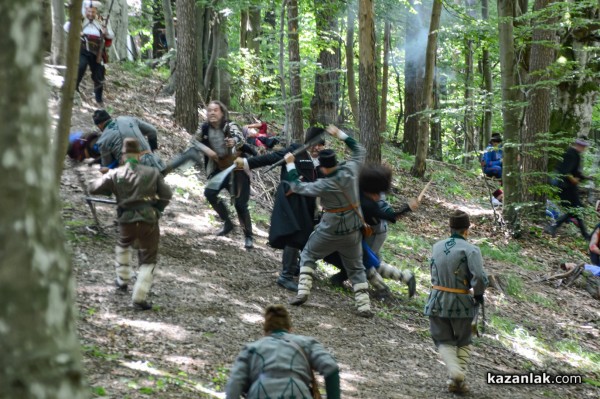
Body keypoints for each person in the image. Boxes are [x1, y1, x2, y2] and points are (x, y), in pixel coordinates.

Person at [283, 125, 374, 318]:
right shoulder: (351, 169)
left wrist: (290, 164)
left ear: (323, 167)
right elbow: (360, 150)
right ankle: (364, 306)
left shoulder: (324, 184)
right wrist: (340, 135)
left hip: (329, 230)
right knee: (356, 267)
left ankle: (302, 293)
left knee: (308, 254)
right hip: (352, 230)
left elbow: (296, 186)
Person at [235, 127, 326, 291]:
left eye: (321, 145)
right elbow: (271, 158)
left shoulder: (322, 160)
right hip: (291, 201)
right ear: (309, 143)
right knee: (294, 235)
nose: (318, 148)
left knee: (308, 236)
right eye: (315, 144)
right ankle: (286, 276)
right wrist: (246, 162)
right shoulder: (295, 151)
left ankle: (297, 266)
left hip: (310, 204)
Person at [89, 138, 173, 310]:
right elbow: (167, 194)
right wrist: (158, 209)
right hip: (148, 219)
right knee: (148, 257)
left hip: (126, 219)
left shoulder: (115, 174)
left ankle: (122, 279)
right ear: (139, 155)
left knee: (124, 244)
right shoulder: (152, 173)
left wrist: (107, 180)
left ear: (123, 156)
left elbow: (94, 188)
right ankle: (139, 297)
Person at [327, 164, 417, 298]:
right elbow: (390, 216)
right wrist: (407, 208)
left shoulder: (365, 199)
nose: (379, 196)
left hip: (356, 236)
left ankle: (385, 288)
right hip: (349, 235)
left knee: (365, 262)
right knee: (365, 262)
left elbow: (389, 216)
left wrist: (407, 208)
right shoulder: (363, 198)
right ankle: (404, 278)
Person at [424, 210, 488, 393]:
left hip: (436, 299)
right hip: (461, 302)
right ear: (467, 230)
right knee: (464, 340)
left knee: (442, 339)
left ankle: (456, 379)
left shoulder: (436, 246)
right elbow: (480, 278)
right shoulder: (472, 250)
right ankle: (457, 372)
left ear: (450, 227)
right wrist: (478, 294)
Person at [226, 304, 340, 399]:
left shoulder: (251, 348)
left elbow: (235, 382)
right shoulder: (306, 343)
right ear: (290, 330)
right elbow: (331, 367)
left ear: (265, 332)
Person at [64, 1, 114, 106]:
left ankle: (99, 99)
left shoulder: (102, 20)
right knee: (80, 67)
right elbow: (66, 27)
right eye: (89, 11)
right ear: (86, 10)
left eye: (93, 12)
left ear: (96, 11)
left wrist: (106, 32)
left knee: (99, 75)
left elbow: (111, 36)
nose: (91, 14)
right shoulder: (80, 18)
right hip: (82, 50)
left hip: (98, 52)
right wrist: (76, 30)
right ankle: (74, 92)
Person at [545, 135, 591, 240]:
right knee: (575, 209)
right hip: (565, 186)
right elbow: (565, 172)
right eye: (581, 145)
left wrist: (584, 177)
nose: (582, 147)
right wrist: (574, 179)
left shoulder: (577, 155)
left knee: (577, 209)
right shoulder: (570, 153)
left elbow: (576, 172)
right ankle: (554, 226)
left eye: (584, 146)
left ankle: (585, 235)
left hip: (570, 187)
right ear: (577, 144)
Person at [92, 109, 165, 173]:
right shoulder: (129, 119)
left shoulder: (102, 140)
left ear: (99, 125)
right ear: (109, 117)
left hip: (134, 171)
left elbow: (107, 167)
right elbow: (152, 131)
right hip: (155, 162)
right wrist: (152, 150)